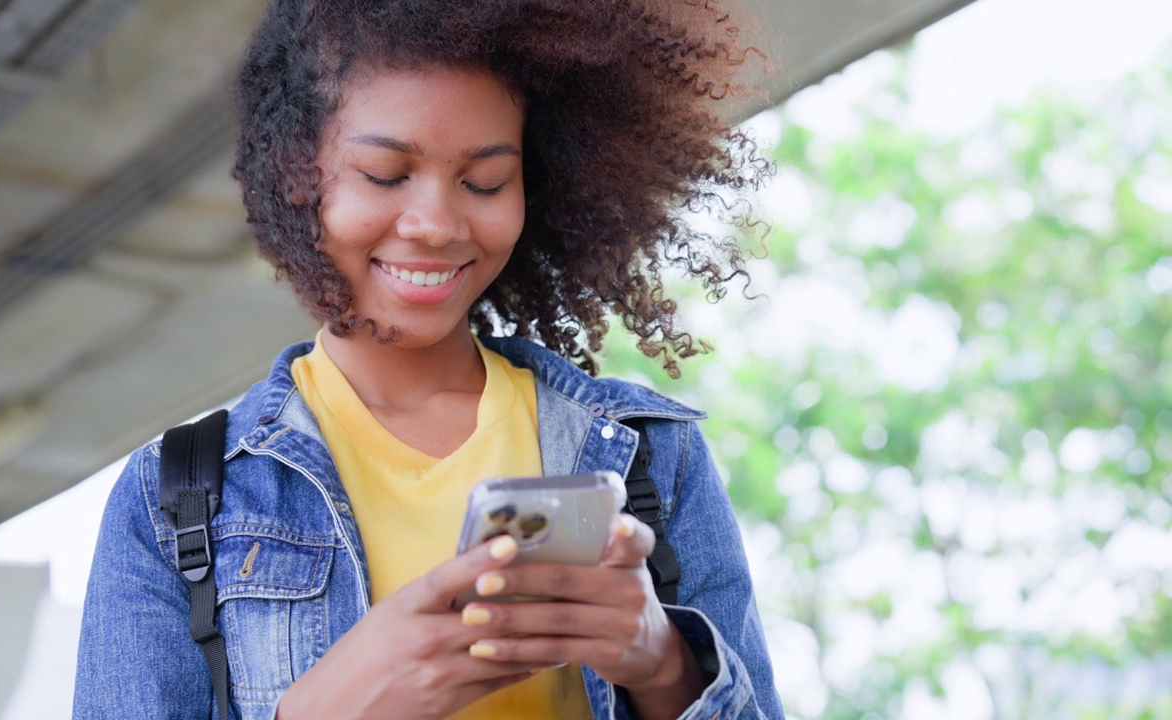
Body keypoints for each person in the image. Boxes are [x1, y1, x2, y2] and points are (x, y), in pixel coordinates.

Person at [73, 0, 783, 718]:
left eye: (484, 183)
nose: (437, 225)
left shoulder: (650, 458)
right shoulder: (175, 503)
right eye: (384, 174)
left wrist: (661, 663)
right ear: (297, 172)